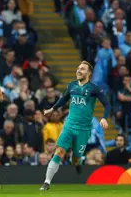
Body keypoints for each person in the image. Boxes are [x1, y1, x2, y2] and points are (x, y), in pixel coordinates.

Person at [40, 61, 111, 191]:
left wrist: (104, 118)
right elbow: (64, 98)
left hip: (83, 129)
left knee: (75, 159)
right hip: (69, 125)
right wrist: (52, 108)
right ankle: (47, 182)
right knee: (59, 151)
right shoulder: (71, 85)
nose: (79, 71)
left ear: (89, 73)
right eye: (78, 68)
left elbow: (107, 104)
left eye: (82, 69)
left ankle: (77, 162)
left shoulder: (94, 88)